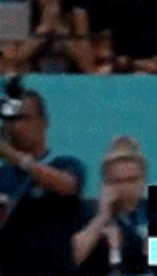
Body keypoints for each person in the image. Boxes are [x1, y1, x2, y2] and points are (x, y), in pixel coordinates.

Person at [0, 76, 87, 275]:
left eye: (24, 118)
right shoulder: (2, 175)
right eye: (11, 120)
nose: (17, 128)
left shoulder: (66, 163)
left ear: (43, 122)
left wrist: (15, 157)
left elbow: (66, 186)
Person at [72, 135, 155, 275]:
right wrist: (102, 217)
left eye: (132, 180)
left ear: (143, 180)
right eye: (118, 181)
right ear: (105, 183)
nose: (126, 188)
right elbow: (67, 260)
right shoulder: (87, 212)